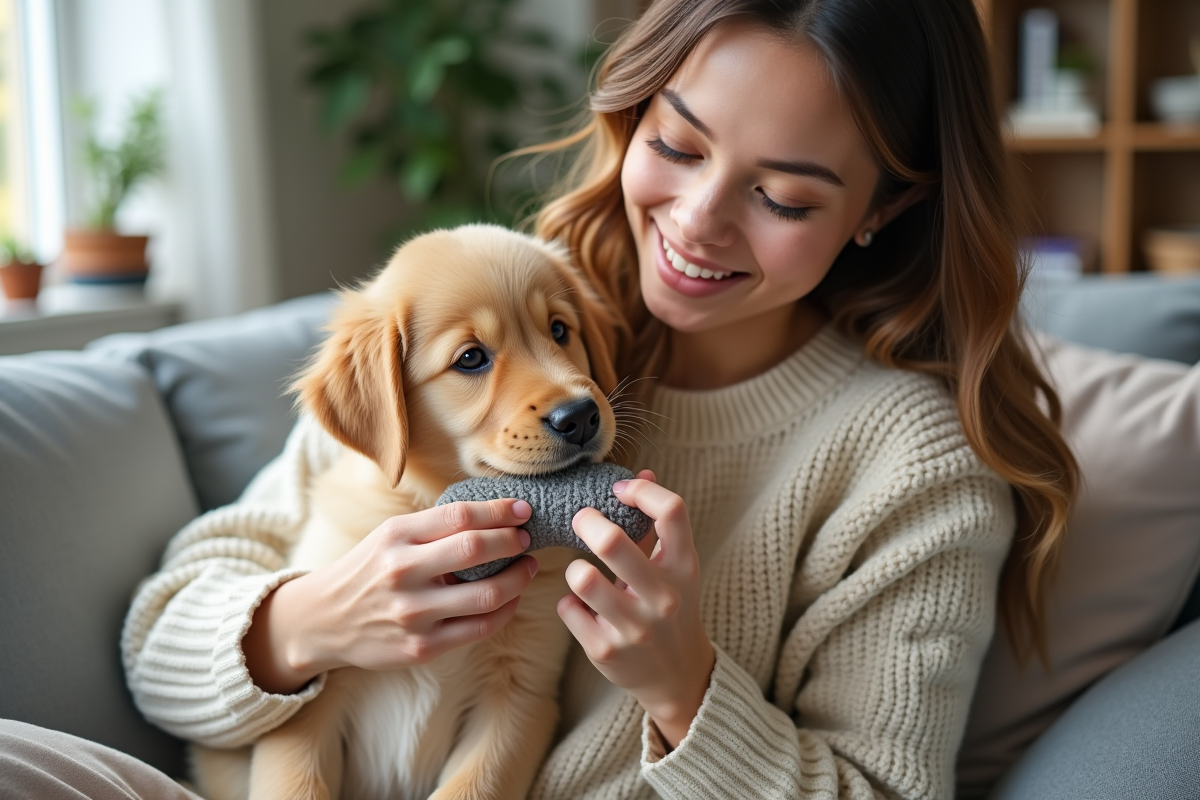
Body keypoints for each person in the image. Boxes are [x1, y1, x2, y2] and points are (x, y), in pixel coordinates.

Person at [2, 1, 1078, 799]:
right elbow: (162, 637)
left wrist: (684, 686)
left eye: (782, 195)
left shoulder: (912, 463)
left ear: (881, 208)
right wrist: (312, 619)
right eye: (676, 143)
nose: (698, 221)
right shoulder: (513, 290)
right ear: (632, 113)